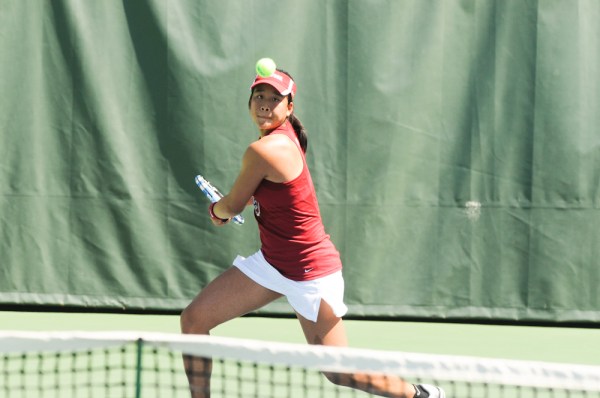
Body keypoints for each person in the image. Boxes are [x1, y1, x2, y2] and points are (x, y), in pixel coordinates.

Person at [180, 66, 446, 398]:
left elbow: (230, 207)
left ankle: (421, 395)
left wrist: (217, 210)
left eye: (274, 98)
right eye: (259, 96)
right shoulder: (286, 135)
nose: (264, 104)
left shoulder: (266, 150)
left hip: (311, 274)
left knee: (338, 372)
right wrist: (247, 200)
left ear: (289, 107)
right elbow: (272, 194)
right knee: (194, 320)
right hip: (273, 264)